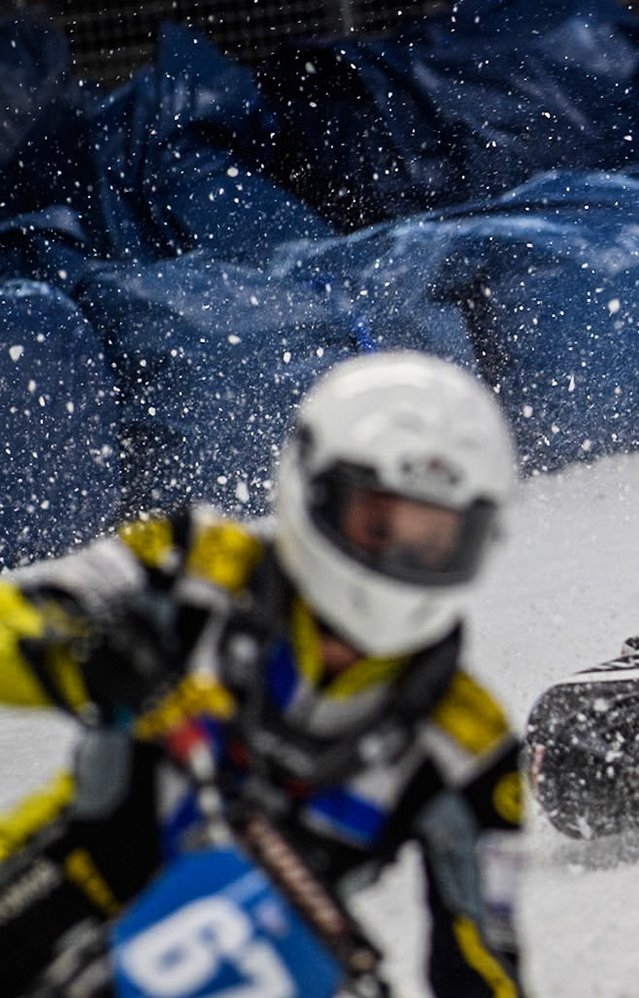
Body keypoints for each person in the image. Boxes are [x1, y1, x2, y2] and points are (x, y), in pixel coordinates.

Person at [0, 351, 528, 997]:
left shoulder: (469, 745)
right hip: (65, 885)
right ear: (317, 489)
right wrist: (84, 653)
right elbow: (18, 619)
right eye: (378, 522)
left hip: (253, 971)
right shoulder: (194, 561)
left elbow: (485, 968)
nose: (398, 556)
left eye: (431, 540)